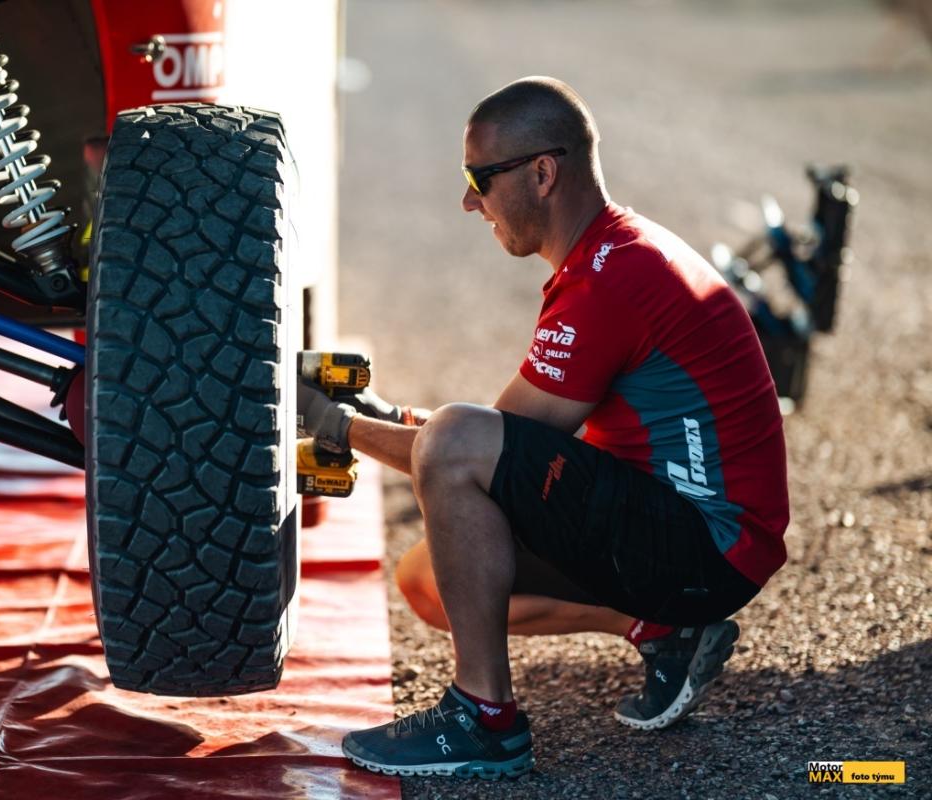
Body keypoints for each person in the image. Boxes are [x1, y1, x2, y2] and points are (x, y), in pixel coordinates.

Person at [298, 76, 789, 779]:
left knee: (457, 447)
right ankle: (660, 627)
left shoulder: (611, 280)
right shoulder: (609, 256)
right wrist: (388, 418)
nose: (469, 200)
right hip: (677, 528)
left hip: (707, 547)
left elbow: (468, 449)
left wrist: (337, 425)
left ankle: (483, 720)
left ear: (542, 174)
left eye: (479, 178)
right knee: (430, 579)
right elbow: (503, 440)